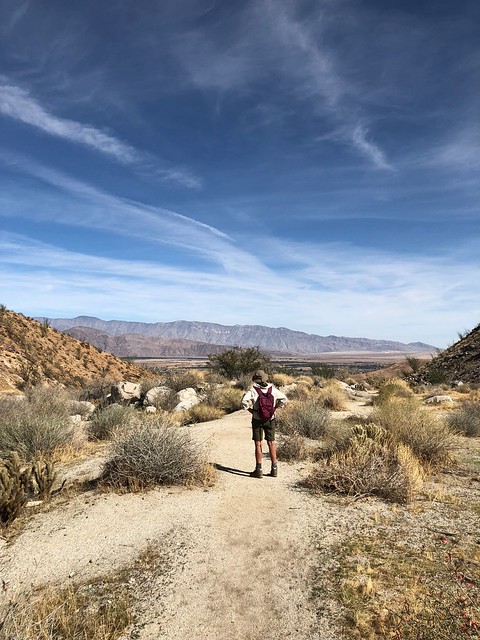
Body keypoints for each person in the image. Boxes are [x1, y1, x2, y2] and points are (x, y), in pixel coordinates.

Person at [241, 370, 288, 478]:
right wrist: (275, 408)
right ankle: (274, 469)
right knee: (271, 443)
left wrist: (251, 410)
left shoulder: (253, 390)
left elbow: (244, 401)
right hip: (270, 419)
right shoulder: (273, 390)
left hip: (257, 419)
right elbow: (284, 399)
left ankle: (259, 470)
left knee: (258, 444)